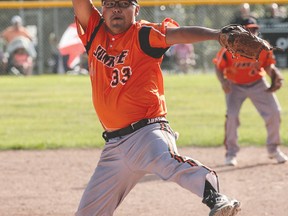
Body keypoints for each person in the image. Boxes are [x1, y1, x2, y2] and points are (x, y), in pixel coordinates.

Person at [72, 0, 241, 215]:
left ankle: (216, 198)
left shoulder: (143, 34)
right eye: (111, 3)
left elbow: (179, 34)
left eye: (124, 4)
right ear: (103, 9)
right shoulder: (95, 32)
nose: (116, 9)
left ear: (137, 9)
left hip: (147, 132)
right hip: (114, 147)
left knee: (167, 161)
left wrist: (216, 34)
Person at [213, 16, 288, 166]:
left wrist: (275, 74)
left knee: (274, 111)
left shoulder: (264, 46)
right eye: (249, 30)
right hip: (235, 85)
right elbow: (218, 66)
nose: (252, 32)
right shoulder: (229, 47)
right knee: (232, 116)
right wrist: (223, 81)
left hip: (257, 83)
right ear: (241, 32)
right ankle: (231, 154)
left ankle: (273, 149)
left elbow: (268, 65)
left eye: (254, 29)